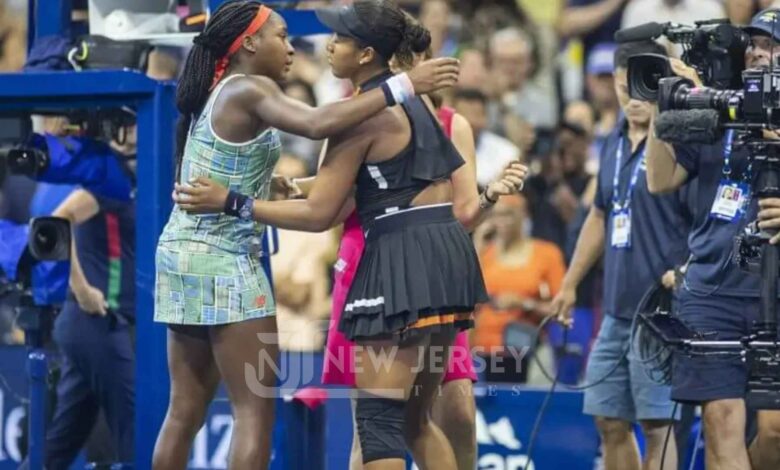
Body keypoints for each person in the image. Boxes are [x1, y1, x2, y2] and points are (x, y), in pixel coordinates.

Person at [173, 2, 525, 468]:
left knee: (379, 423)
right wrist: (294, 186)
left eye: (339, 39)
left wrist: (232, 202)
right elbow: (363, 189)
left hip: (399, 264)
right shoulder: (420, 105)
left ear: (365, 55)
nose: (329, 45)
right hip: (448, 259)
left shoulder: (354, 115)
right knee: (416, 422)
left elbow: (324, 214)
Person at [644, 9, 780, 469]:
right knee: (721, 419)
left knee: (775, 432)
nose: (760, 53)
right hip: (711, 290)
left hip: (775, 290)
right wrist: (664, 108)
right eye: (756, 44)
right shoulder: (719, 107)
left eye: (774, 46)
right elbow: (660, 180)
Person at [551, 40, 691, 470]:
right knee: (608, 418)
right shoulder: (611, 141)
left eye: (644, 84)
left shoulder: (680, 140)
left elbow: (706, 216)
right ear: (614, 83)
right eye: (625, 84)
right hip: (615, 310)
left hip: (661, 310)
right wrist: (570, 283)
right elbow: (599, 214)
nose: (634, 95)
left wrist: (689, 270)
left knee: (656, 425)